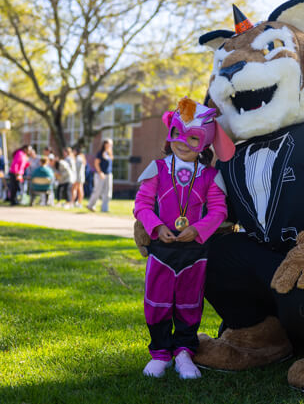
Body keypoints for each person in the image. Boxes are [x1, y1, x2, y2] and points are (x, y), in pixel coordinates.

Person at [133, 97, 233, 379]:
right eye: (177, 134)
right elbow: (141, 205)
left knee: (190, 302)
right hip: (161, 249)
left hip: (195, 252)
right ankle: (160, 353)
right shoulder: (157, 169)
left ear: (203, 143)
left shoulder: (211, 176)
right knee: (157, 301)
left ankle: (184, 353)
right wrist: (154, 227)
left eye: (192, 138)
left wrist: (199, 229)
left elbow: (218, 210)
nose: (181, 142)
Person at [86, 139, 114, 212]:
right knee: (97, 191)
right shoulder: (100, 153)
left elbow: (111, 160)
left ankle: (104, 209)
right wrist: (100, 172)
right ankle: (90, 205)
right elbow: (96, 164)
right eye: (109, 144)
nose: (111, 145)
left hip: (108, 174)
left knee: (108, 193)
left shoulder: (109, 153)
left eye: (111, 144)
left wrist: (110, 152)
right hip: (100, 174)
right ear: (105, 144)